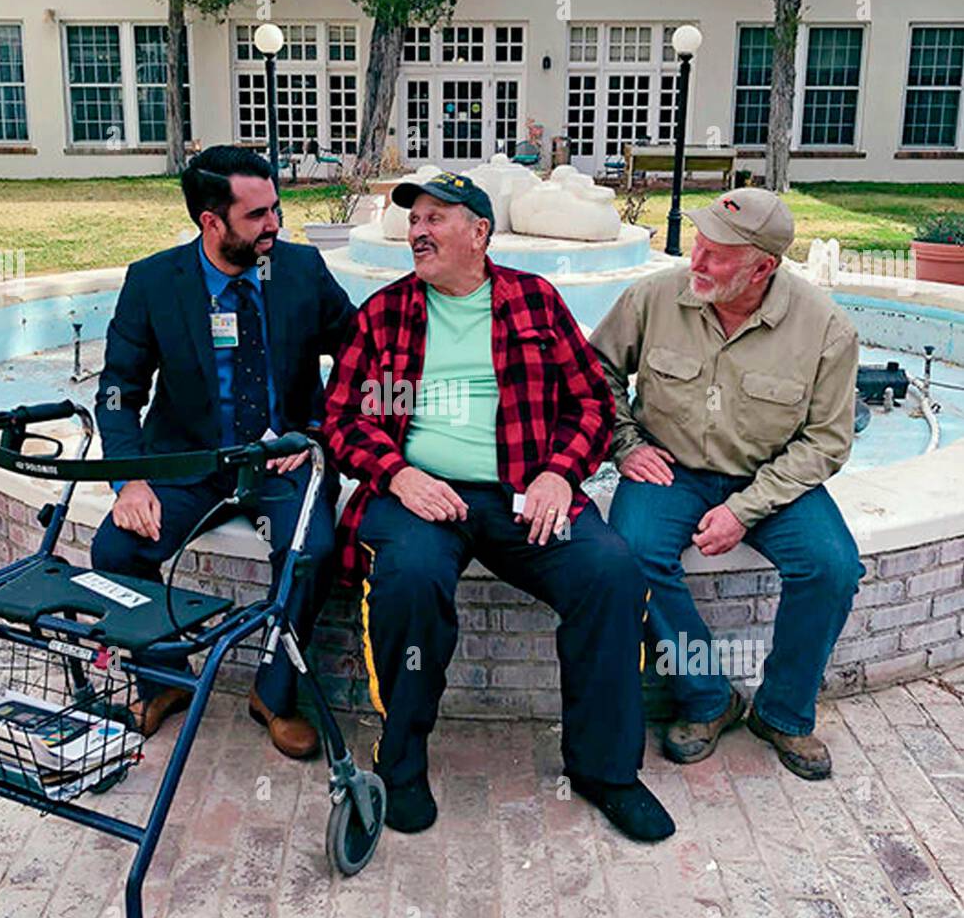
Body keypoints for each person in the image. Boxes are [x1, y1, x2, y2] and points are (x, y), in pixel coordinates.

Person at [322, 173, 675, 843]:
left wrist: (560, 474)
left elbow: (593, 405)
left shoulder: (534, 302)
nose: (418, 232)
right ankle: (399, 764)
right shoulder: (388, 312)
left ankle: (606, 772)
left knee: (610, 573)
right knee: (410, 580)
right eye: (414, 221)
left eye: (435, 219)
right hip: (421, 492)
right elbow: (343, 420)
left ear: (479, 233)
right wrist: (396, 474)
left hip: (524, 491)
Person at [591, 188, 863, 779]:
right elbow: (595, 373)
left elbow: (827, 441)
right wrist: (627, 442)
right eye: (699, 246)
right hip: (671, 467)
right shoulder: (654, 296)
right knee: (632, 555)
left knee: (833, 566)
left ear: (763, 267)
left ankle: (785, 713)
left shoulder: (827, 330)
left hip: (772, 476)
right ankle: (708, 698)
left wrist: (745, 509)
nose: (697, 262)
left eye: (717, 256)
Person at [91, 145, 354, 753]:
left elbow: (360, 352)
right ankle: (162, 679)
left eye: (276, 209)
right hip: (190, 462)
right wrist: (129, 481)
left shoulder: (301, 270)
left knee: (309, 551)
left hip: (281, 456)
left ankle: (274, 691)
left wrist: (315, 431)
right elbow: (118, 389)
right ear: (211, 221)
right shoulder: (153, 281)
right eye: (257, 215)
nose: (275, 225)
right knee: (115, 549)